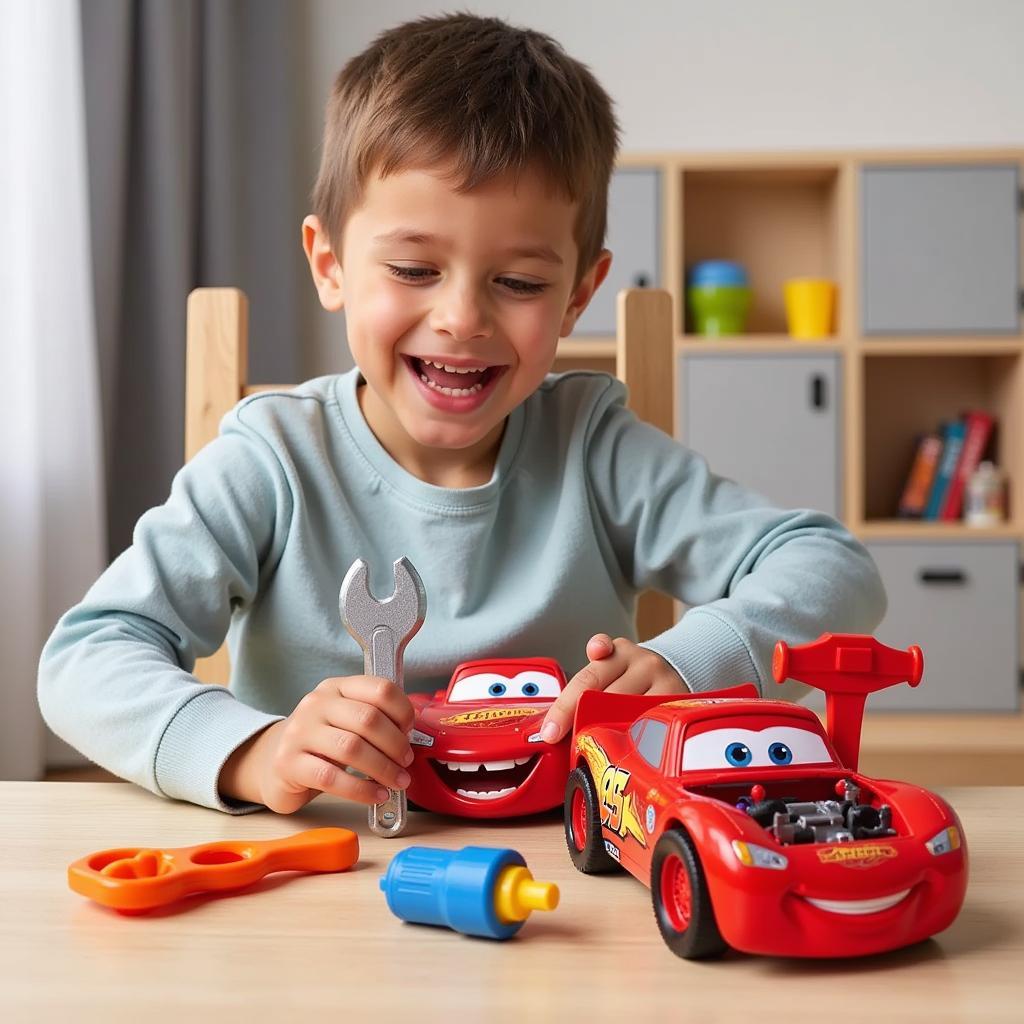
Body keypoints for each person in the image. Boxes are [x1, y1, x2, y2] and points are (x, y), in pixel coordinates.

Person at [38, 13, 885, 815]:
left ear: (578, 296)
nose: (462, 318)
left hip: (569, 882)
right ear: (330, 265)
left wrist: (687, 661)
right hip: (326, 875)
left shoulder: (597, 451)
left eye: (518, 283)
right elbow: (87, 658)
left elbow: (832, 567)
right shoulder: (273, 462)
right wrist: (253, 752)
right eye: (413, 269)